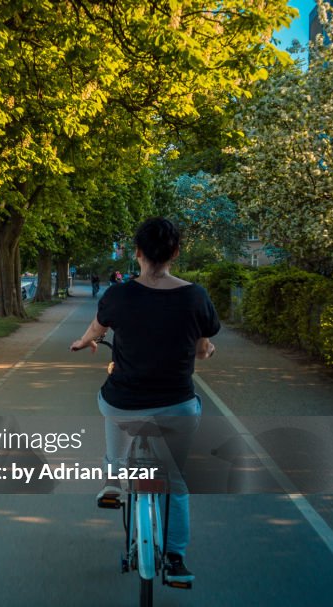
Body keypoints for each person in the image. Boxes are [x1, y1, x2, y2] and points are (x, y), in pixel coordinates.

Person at [70, 217, 219, 585]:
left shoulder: (118, 296)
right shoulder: (196, 296)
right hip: (176, 407)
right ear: (175, 253)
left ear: (137, 253)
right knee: (175, 482)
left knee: (109, 404)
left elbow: (96, 328)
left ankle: (113, 478)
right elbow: (201, 350)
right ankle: (175, 557)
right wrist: (206, 350)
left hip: (125, 402)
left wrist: (83, 341)